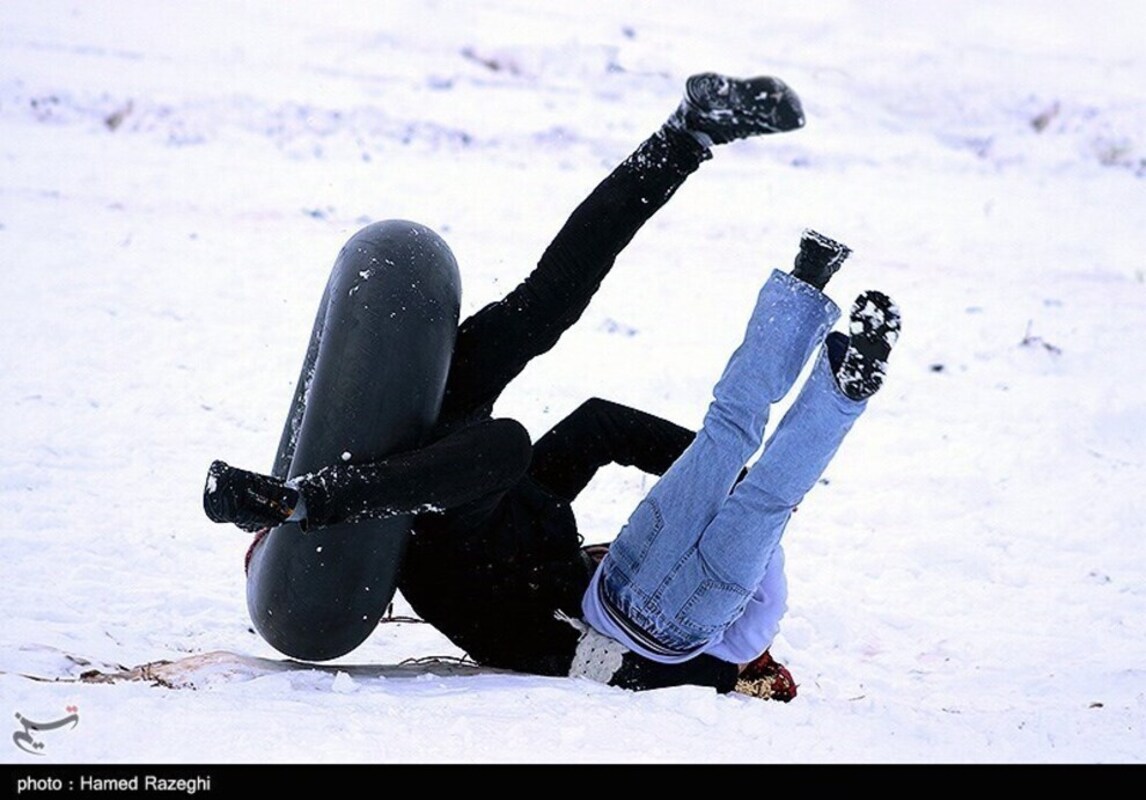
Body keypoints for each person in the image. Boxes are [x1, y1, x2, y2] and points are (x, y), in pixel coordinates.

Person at [203, 71, 900, 698]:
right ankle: (687, 134)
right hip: (452, 462)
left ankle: (299, 501)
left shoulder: (551, 631)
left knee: (507, 442)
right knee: (546, 310)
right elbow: (603, 424)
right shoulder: (559, 545)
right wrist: (733, 478)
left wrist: (719, 674)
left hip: (424, 519)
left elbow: (631, 670)